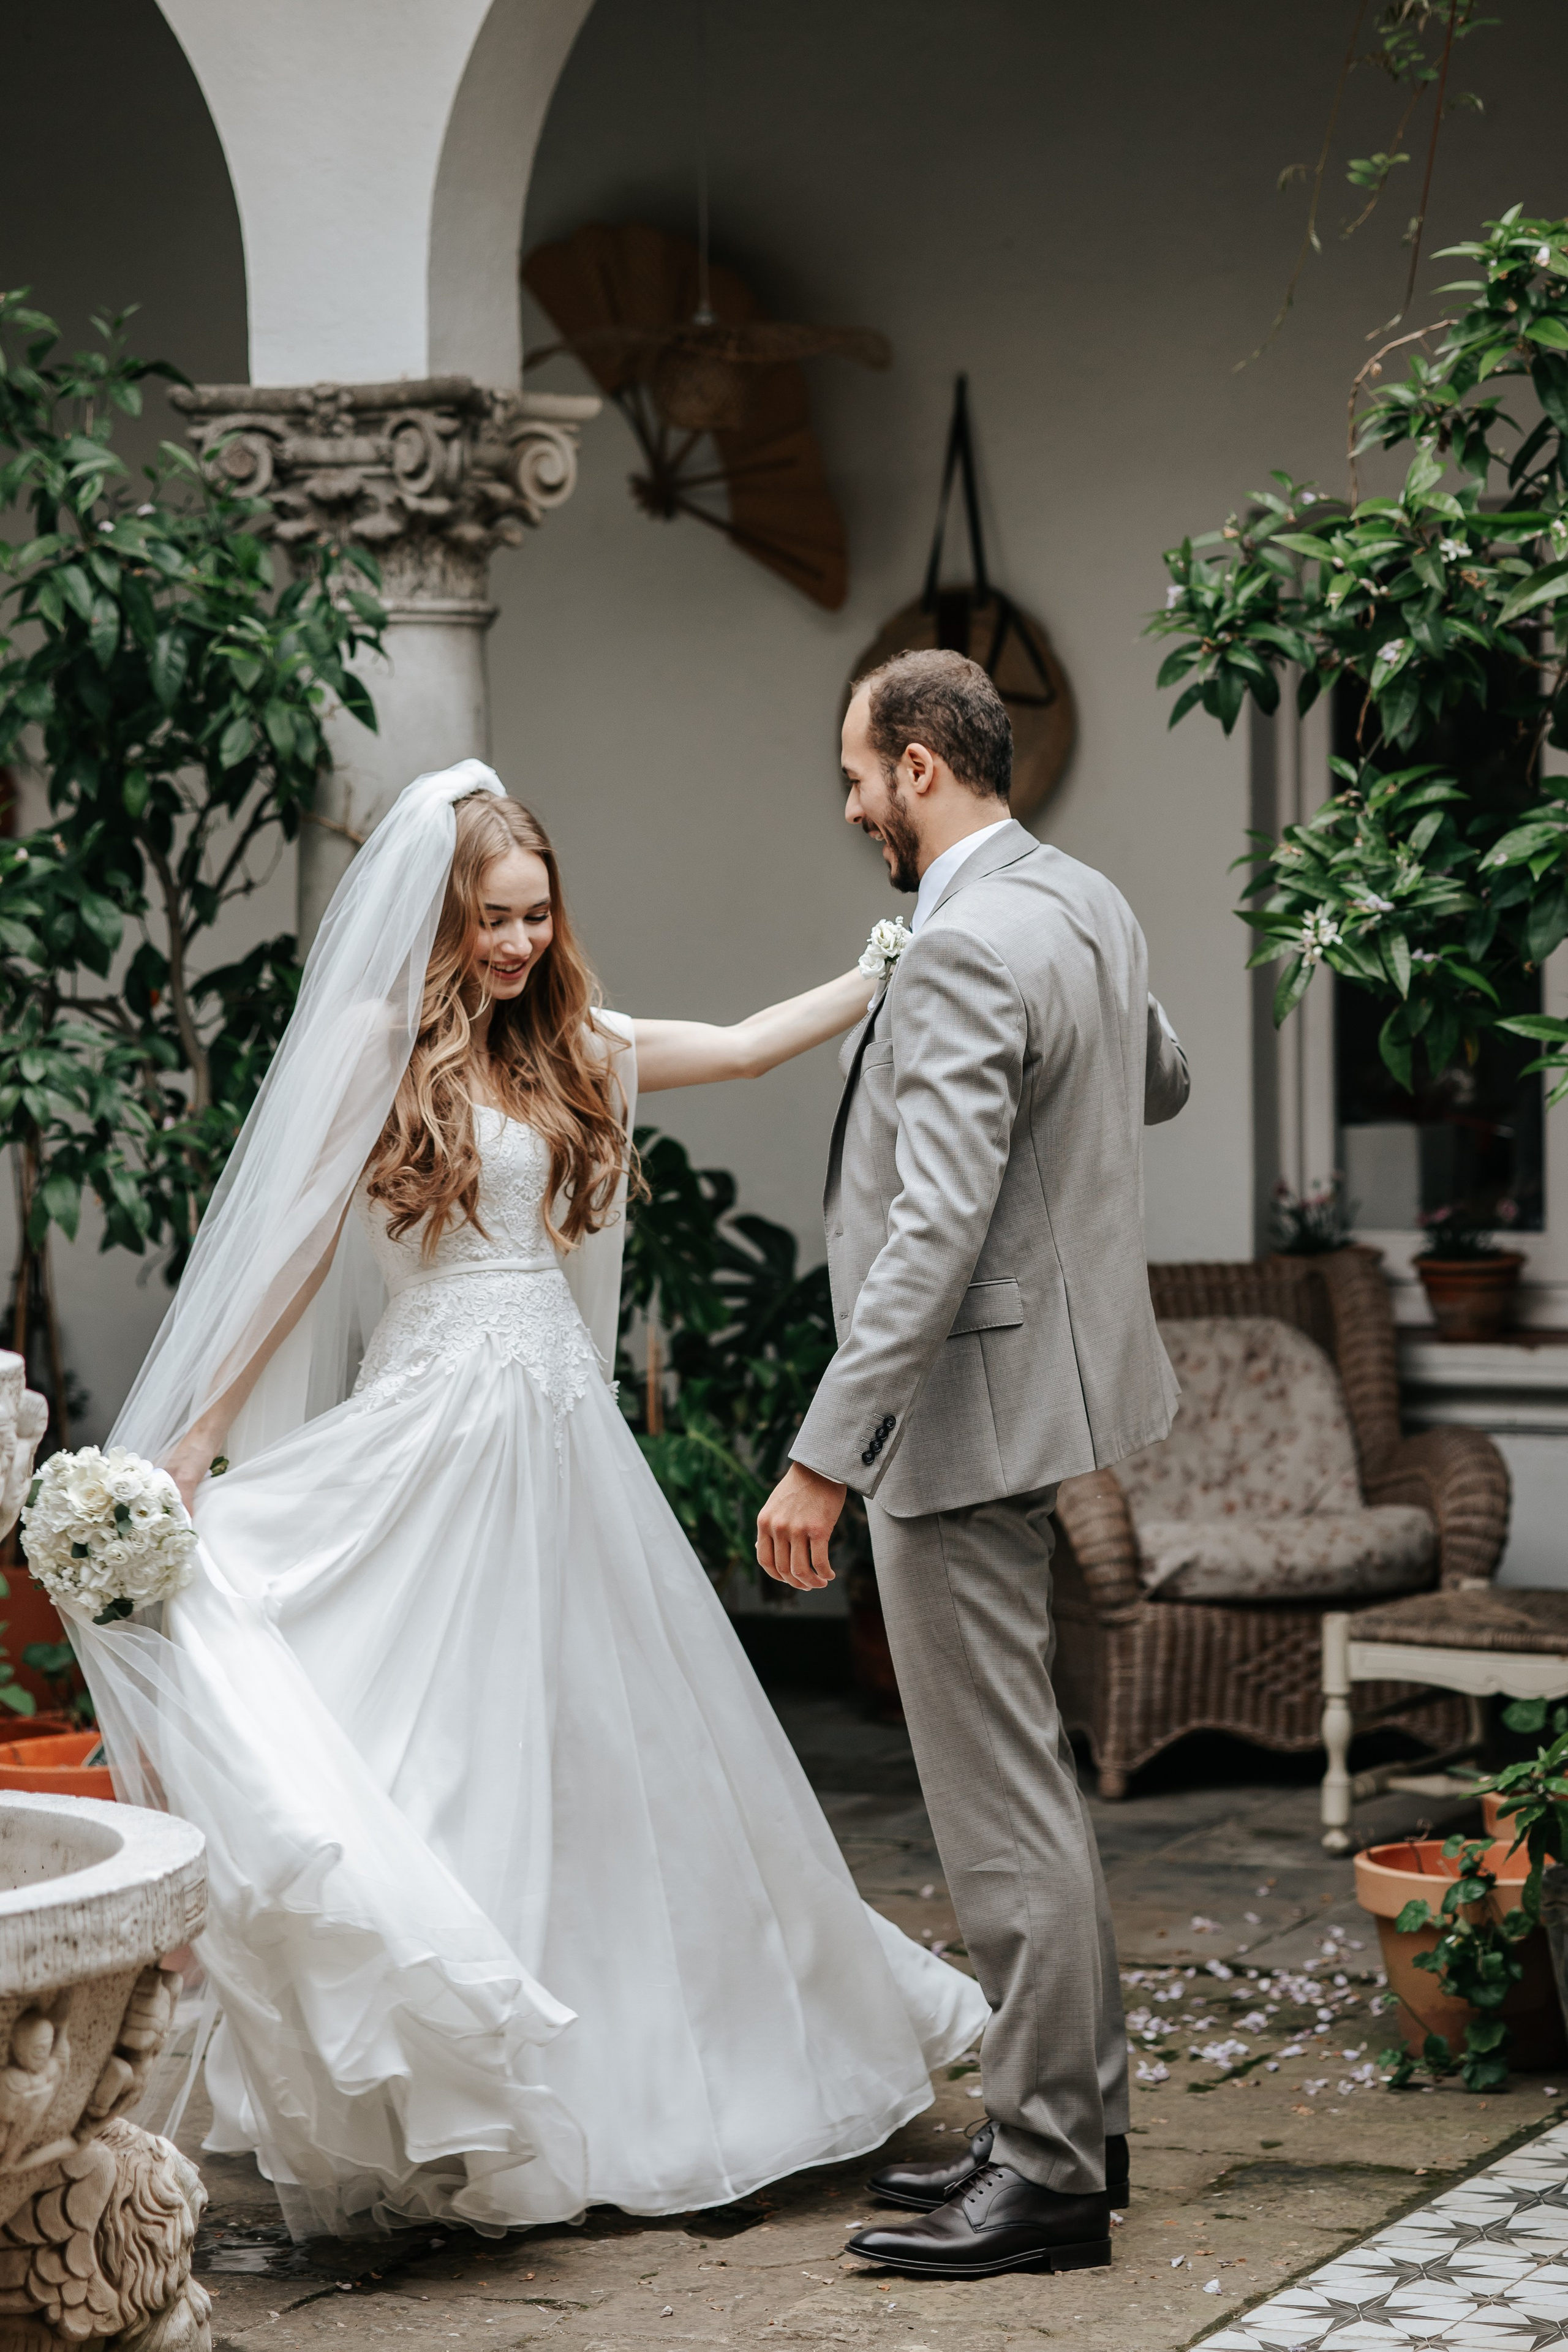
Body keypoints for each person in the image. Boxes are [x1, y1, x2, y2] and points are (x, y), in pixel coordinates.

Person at [77, 759, 987, 2241]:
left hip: (560, 1445)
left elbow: (752, 1047)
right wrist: (204, 1435)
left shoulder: (575, 1046)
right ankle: (443, 2080)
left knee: (601, 1750)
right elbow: (301, 1250)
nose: (513, 944)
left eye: (532, 917)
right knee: (437, 1741)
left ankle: (654, 2071)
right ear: (441, 922)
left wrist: (887, 960)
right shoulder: (382, 1047)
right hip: (435, 1429)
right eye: (491, 920)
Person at [757, 650, 1189, 2282]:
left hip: (960, 1420)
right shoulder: (1082, 898)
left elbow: (932, 1229)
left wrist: (825, 1458)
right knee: (1037, 1779)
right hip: (1060, 1401)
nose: (854, 801)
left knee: (1001, 1807)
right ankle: (1059, 2123)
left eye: (861, 773)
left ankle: (1054, 2173)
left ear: (925, 765)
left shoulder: (957, 947)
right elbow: (1159, 1077)